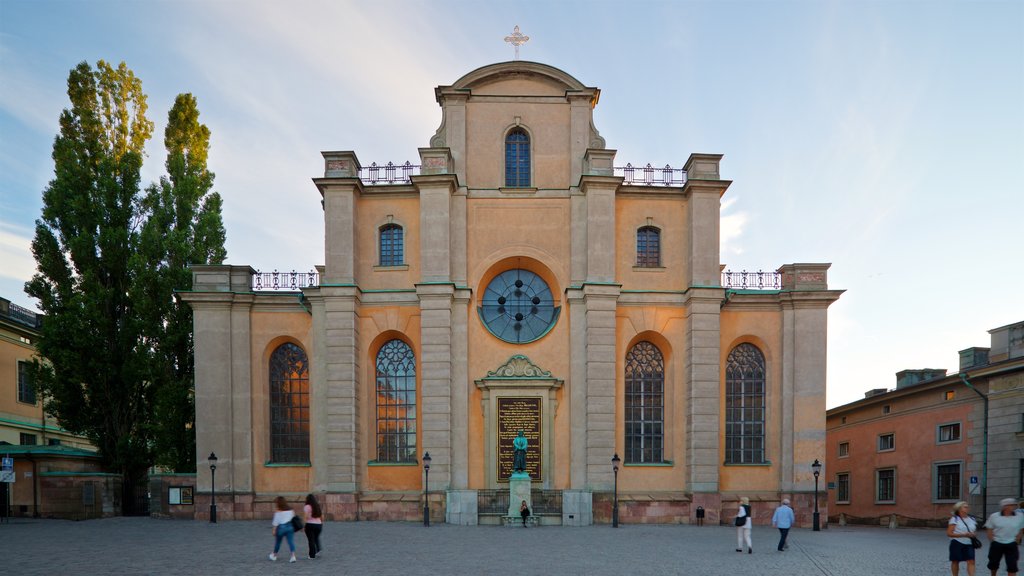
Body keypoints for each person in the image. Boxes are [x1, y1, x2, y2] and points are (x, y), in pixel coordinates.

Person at [986, 498, 1024, 576]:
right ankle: (993, 574)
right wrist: (992, 540)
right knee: (993, 564)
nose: (1013, 507)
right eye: (1011, 505)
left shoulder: (1020, 516)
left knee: (1012, 566)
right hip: (997, 542)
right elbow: (989, 528)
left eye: (1014, 505)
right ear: (1004, 506)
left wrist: (1018, 538)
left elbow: (1021, 528)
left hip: (1012, 543)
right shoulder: (994, 516)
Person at [947, 501, 978, 576]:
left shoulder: (972, 519)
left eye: (967, 507)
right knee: (955, 561)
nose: (967, 508)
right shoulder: (955, 519)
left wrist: (974, 534)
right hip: (957, 542)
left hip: (969, 543)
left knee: (971, 561)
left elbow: (975, 531)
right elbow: (949, 533)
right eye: (965, 507)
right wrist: (963, 535)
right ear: (959, 508)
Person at [269, 496, 298, 563]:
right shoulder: (291, 510)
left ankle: (274, 555)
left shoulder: (278, 512)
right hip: (290, 527)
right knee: (290, 541)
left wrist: (273, 530)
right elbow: (293, 518)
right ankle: (293, 556)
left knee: (278, 542)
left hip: (281, 528)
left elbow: (276, 522)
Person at [304, 493, 324, 559]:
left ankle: (312, 555)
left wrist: (304, 525)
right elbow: (322, 516)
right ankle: (318, 549)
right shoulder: (317, 506)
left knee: (311, 540)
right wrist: (321, 523)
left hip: (310, 525)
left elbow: (306, 517)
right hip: (319, 525)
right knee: (316, 538)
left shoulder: (307, 506)